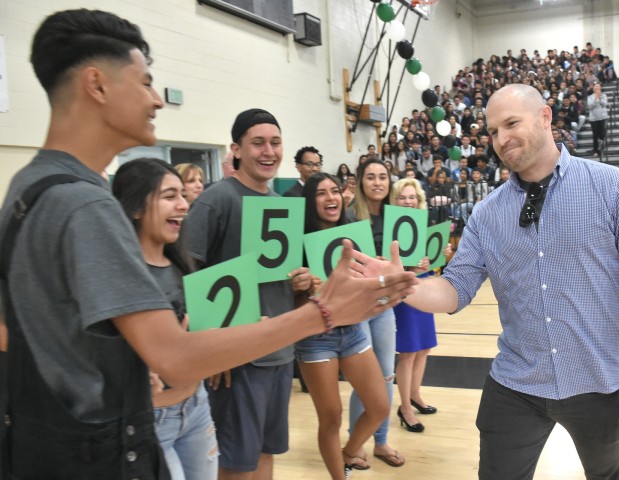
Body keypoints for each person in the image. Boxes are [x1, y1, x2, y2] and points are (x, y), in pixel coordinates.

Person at [0, 9, 417, 479]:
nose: (157, 99)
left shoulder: (27, 185)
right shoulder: (87, 206)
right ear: (97, 85)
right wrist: (324, 312)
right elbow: (174, 354)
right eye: (145, 82)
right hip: (96, 449)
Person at [361, 84, 619, 479]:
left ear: (545, 117)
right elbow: (455, 288)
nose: (501, 139)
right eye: (492, 132)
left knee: (608, 473)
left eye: (511, 123)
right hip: (516, 383)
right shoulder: (487, 213)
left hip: (598, 380)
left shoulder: (612, 187)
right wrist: (406, 286)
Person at [113, 158, 218, 479]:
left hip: (197, 408)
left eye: (182, 195)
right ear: (135, 207)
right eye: (169, 196)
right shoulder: (117, 276)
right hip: (149, 422)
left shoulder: (182, 265)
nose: (184, 205)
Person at [295, 173, 389, 479]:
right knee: (331, 418)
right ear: (310, 202)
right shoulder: (295, 243)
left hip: (351, 331)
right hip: (315, 338)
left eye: (334, 191)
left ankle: (349, 453)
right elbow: (284, 303)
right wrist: (302, 287)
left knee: (379, 407)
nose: (330, 198)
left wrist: (375, 272)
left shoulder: (353, 238)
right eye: (321, 193)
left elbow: (367, 290)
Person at [346, 159, 405, 469]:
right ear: (361, 182)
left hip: (385, 307)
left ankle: (380, 441)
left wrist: (415, 266)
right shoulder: (348, 218)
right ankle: (354, 444)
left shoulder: (398, 218)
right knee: (364, 379)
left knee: (386, 374)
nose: (377, 182)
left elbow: (404, 265)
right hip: (358, 306)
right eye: (370, 177)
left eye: (382, 176)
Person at [391, 178, 452, 433]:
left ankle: (415, 396)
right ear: (395, 201)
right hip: (405, 289)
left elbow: (430, 262)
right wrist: (415, 267)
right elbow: (394, 266)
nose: (408, 201)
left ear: (419, 200)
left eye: (412, 197)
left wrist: (443, 254)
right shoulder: (392, 229)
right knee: (408, 352)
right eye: (403, 197)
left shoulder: (423, 226)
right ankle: (404, 407)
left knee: (424, 347)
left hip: (424, 286)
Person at [587, 82, 609, 158]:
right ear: (593, 89)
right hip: (593, 118)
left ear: (600, 89)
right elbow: (590, 107)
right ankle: (595, 150)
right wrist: (595, 98)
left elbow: (604, 104)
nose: (597, 89)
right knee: (595, 135)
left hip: (602, 117)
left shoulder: (604, 95)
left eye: (598, 88)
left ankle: (601, 149)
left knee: (602, 134)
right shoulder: (590, 97)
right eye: (595, 88)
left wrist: (599, 98)